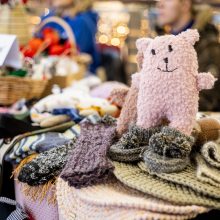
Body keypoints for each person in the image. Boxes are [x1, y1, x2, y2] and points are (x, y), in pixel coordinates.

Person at [156, 0, 220, 111]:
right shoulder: (164, 44)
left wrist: (161, 106)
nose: (159, 4)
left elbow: (207, 99)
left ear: (185, 5)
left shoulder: (208, 46)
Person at [39, 0, 100, 74]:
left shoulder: (83, 21)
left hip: (79, 75)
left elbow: (74, 53)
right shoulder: (50, 18)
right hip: (51, 72)